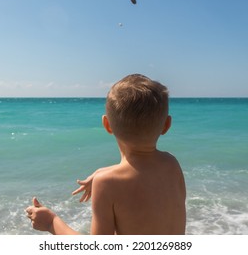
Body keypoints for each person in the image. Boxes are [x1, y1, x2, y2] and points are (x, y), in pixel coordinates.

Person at [25, 74, 186, 235]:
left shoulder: (107, 183)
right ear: (166, 125)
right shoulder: (172, 164)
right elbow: (141, 174)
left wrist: (50, 222)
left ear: (107, 124)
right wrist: (104, 173)